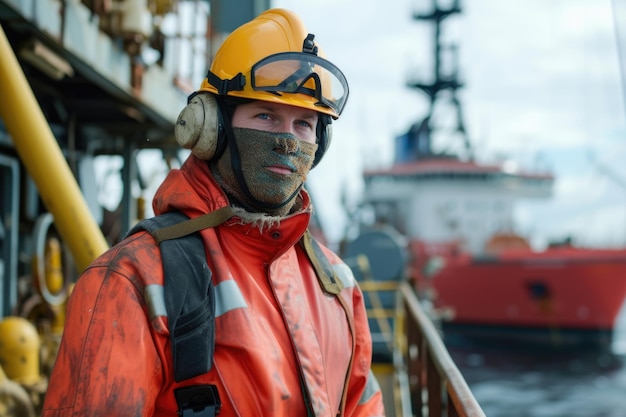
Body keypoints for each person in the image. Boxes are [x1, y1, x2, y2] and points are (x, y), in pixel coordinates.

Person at [41, 8, 385, 417]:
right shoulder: (130, 281)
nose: (288, 142)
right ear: (212, 127)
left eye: (304, 124)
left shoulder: (338, 286)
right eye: (265, 115)